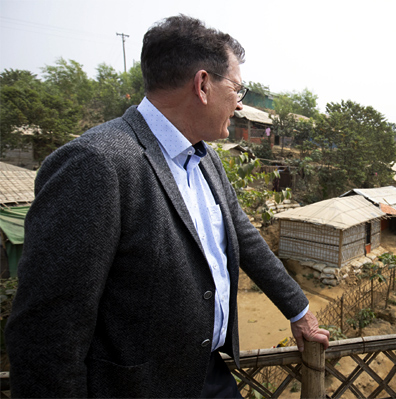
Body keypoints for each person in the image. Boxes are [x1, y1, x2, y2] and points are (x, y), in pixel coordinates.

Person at [5, 15, 329, 398]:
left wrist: (298, 310)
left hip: (209, 374)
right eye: (237, 89)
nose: (240, 104)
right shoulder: (97, 163)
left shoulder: (205, 156)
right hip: (138, 387)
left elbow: (242, 235)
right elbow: (47, 328)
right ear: (203, 84)